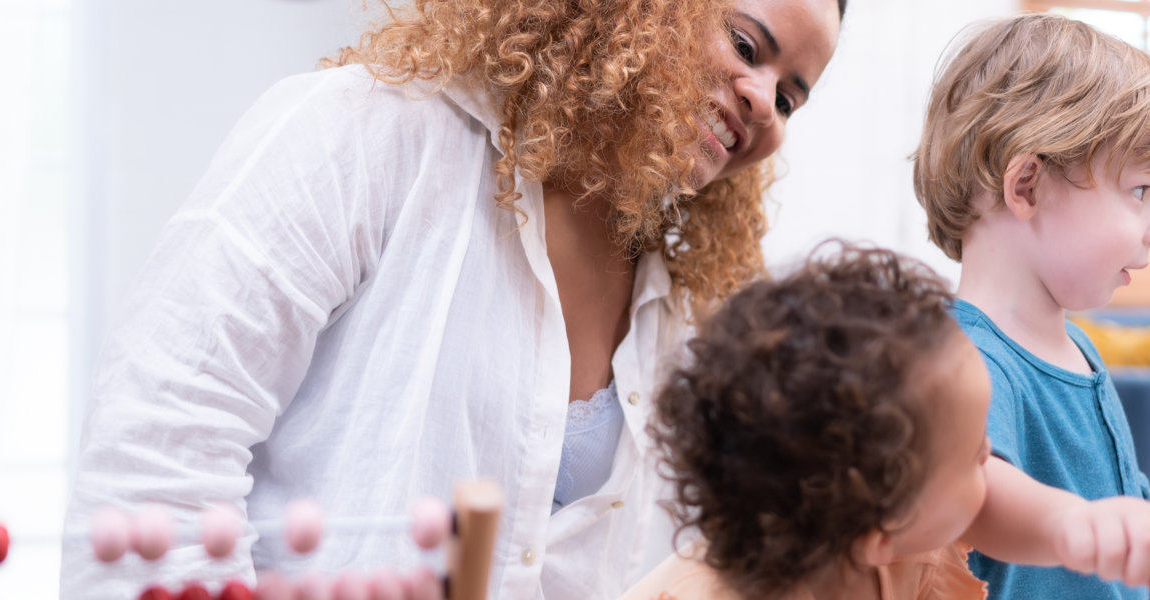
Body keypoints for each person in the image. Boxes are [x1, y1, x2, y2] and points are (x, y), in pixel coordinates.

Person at [60, 0, 846, 597]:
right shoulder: (365, 135)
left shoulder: (685, 315)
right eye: (747, 47)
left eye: (790, 99)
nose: (762, 104)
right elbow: (153, 465)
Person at [625, 243, 1150, 600]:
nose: (992, 457)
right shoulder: (694, 591)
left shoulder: (915, 555)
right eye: (975, 458)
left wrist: (1079, 528)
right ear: (880, 528)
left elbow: (1017, 519)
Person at [908, 12, 1150, 600]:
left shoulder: (1078, 348)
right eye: (1141, 192)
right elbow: (966, 488)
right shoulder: (962, 356)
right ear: (1027, 187)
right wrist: (1068, 523)